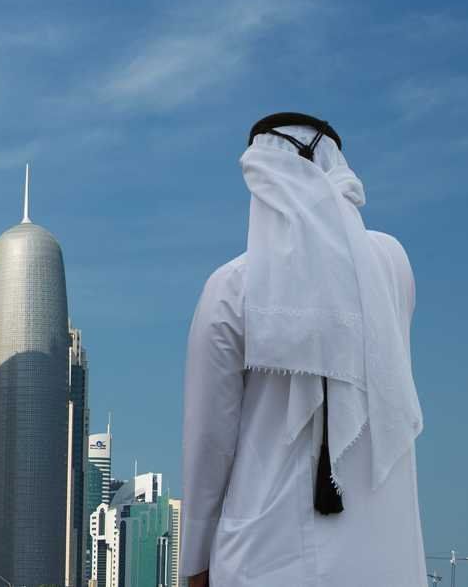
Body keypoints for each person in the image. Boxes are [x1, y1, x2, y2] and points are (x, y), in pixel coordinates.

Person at [181, 113, 426, 587]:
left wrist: (194, 561)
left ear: (262, 180)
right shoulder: (393, 267)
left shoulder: (231, 287)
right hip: (386, 554)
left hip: (264, 555)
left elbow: (209, 441)